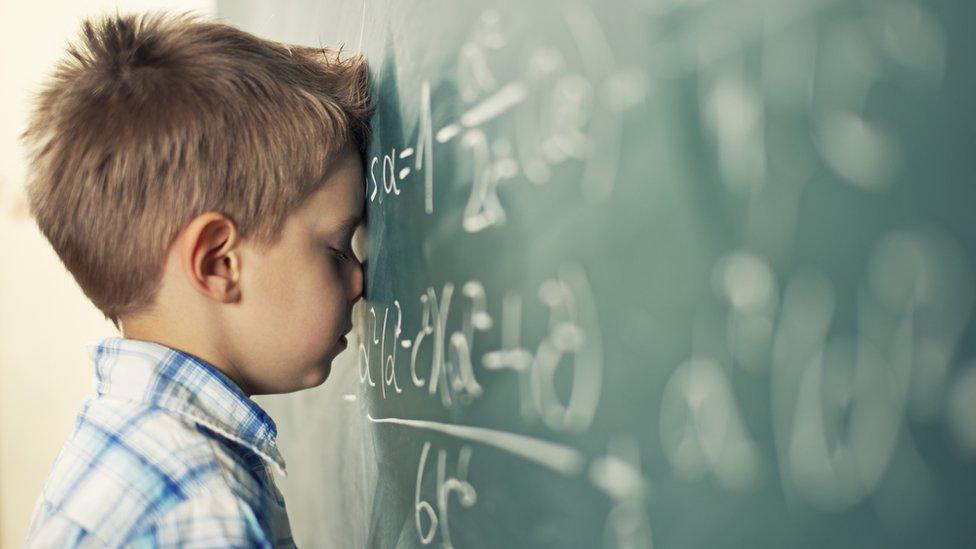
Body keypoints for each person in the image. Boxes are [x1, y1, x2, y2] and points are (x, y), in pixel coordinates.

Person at [20, 10, 373, 547]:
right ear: (218, 263)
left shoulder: (122, 446)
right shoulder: (203, 511)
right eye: (336, 248)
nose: (360, 281)